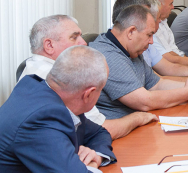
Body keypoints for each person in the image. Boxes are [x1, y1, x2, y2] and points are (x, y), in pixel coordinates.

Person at [0, 46, 116, 173]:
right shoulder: (42, 118)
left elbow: (99, 133)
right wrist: (90, 166)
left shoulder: (47, 94)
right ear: (89, 94)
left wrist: (96, 155)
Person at [18, 15, 158, 139]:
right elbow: (100, 129)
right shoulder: (56, 77)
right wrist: (138, 118)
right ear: (49, 45)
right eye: (74, 37)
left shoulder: (34, 66)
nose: (84, 43)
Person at [90, 5, 188, 119]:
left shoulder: (130, 50)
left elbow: (156, 84)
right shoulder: (107, 55)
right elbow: (144, 101)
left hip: (142, 121)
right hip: (123, 132)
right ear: (131, 32)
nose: (151, 42)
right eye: (149, 35)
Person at [111, 0, 188, 80]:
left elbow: (167, 71)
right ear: (131, 30)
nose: (151, 41)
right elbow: (146, 95)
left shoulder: (141, 42)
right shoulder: (113, 56)